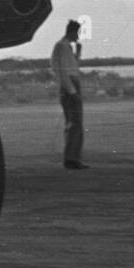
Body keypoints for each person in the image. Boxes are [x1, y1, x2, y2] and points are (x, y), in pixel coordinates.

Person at [50, 20, 88, 170]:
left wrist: (78, 53)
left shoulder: (66, 47)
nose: (78, 36)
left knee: (75, 123)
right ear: (72, 32)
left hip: (72, 84)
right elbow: (61, 71)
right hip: (70, 87)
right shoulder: (61, 46)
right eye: (77, 32)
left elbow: (73, 67)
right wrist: (72, 91)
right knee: (75, 123)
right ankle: (71, 159)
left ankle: (73, 158)